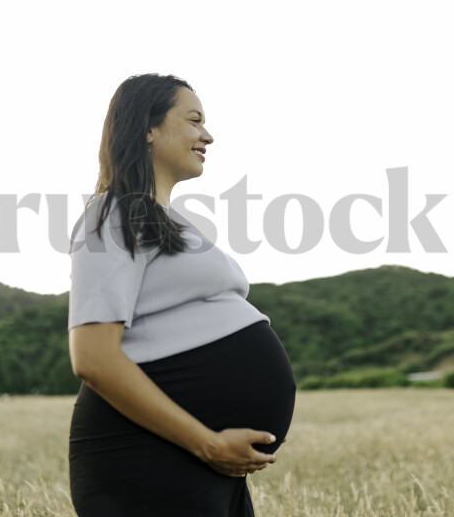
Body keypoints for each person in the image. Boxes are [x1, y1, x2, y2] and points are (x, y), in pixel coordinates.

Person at [67, 73, 296, 516]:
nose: (207, 135)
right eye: (193, 121)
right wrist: (207, 444)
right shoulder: (113, 212)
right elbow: (92, 358)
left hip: (195, 463)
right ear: (148, 128)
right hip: (148, 459)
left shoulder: (166, 221)